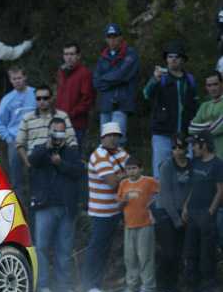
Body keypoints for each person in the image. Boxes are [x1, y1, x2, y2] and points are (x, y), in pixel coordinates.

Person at [28, 118, 82, 292]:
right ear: (49, 131)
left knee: (64, 248)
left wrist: (61, 164)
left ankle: (64, 285)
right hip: (44, 205)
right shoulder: (40, 149)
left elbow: (78, 172)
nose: (57, 135)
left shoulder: (72, 151)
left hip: (66, 207)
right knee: (41, 246)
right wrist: (47, 146)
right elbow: (32, 161)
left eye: (60, 131)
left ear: (65, 133)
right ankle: (42, 284)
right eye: (54, 131)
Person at [82, 122, 129, 292]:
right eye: (110, 135)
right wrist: (124, 176)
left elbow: (136, 173)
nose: (113, 138)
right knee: (97, 247)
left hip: (118, 209)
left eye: (116, 135)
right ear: (103, 137)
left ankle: (102, 283)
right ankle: (89, 284)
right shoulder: (98, 155)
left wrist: (122, 177)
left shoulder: (122, 153)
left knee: (111, 248)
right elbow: (113, 183)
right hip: (101, 211)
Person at [142, 42, 198, 178]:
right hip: (163, 134)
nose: (173, 59)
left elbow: (195, 105)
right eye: (170, 56)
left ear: (183, 59)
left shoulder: (190, 79)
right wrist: (155, 79)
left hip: (185, 135)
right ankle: (161, 200)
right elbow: (146, 94)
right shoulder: (160, 77)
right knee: (161, 173)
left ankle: (186, 200)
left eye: (177, 56)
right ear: (166, 59)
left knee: (187, 174)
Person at [181, 131, 223, 292]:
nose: (192, 148)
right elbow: (192, 187)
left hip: (206, 213)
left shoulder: (218, 164)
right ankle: (192, 287)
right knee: (191, 250)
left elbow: (221, 190)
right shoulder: (195, 163)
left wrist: (211, 211)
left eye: (194, 145)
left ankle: (209, 287)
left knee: (207, 252)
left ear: (203, 144)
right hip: (192, 211)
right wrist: (185, 207)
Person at [116, 157, 159, 292]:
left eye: (134, 168)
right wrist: (124, 200)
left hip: (145, 223)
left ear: (141, 168)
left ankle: (149, 287)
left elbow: (160, 194)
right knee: (130, 257)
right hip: (129, 224)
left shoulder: (149, 181)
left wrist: (152, 205)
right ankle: (132, 286)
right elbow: (119, 205)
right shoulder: (123, 183)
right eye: (128, 169)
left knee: (145, 256)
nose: (131, 171)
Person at [154, 134, 189, 292]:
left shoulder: (191, 165)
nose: (177, 151)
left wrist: (185, 213)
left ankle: (173, 288)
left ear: (186, 149)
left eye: (180, 147)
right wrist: (176, 220)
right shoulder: (166, 166)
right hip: (166, 213)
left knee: (177, 253)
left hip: (184, 213)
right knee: (167, 252)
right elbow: (165, 195)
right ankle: (161, 288)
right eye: (174, 148)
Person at [92, 23, 140, 142]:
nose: (112, 40)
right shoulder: (102, 57)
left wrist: (105, 78)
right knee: (105, 142)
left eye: (115, 36)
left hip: (121, 104)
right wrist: (113, 79)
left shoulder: (131, 54)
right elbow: (96, 82)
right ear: (106, 39)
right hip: (105, 105)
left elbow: (122, 75)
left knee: (118, 141)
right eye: (109, 37)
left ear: (121, 37)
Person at [0, 66, 36, 199]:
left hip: (35, 138)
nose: (17, 81)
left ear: (25, 77)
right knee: (16, 177)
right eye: (14, 79)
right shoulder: (7, 99)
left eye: (19, 78)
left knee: (35, 173)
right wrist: (9, 138)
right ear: (10, 80)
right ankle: (20, 207)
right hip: (15, 140)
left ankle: (37, 201)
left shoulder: (35, 94)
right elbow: (0, 123)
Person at [17, 84, 78, 164]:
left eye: (45, 98)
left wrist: (67, 160)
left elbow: (72, 141)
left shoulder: (62, 116)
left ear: (51, 98)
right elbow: (19, 144)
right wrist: (28, 164)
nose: (42, 101)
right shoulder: (27, 118)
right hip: (36, 161)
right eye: (38, 98)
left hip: (58, 161)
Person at [55, 42, 95, 153]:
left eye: (72, 54)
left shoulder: (84, 73)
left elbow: (87, 100)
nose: (69, 57)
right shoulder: (61, 72)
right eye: (66, 54)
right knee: (59, 156)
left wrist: (71, 114)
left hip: (76, 124)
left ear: (78, 56)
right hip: (60, 124)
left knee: (74, 157)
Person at [189, 73, 223, 159]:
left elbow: (217, 127)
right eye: (209, 85)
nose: (212, 88)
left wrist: (201, 127)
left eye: (215, 84)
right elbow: (191, 128)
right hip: (207, 158)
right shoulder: (204, 105)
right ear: (206, 87)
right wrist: (210, 124)